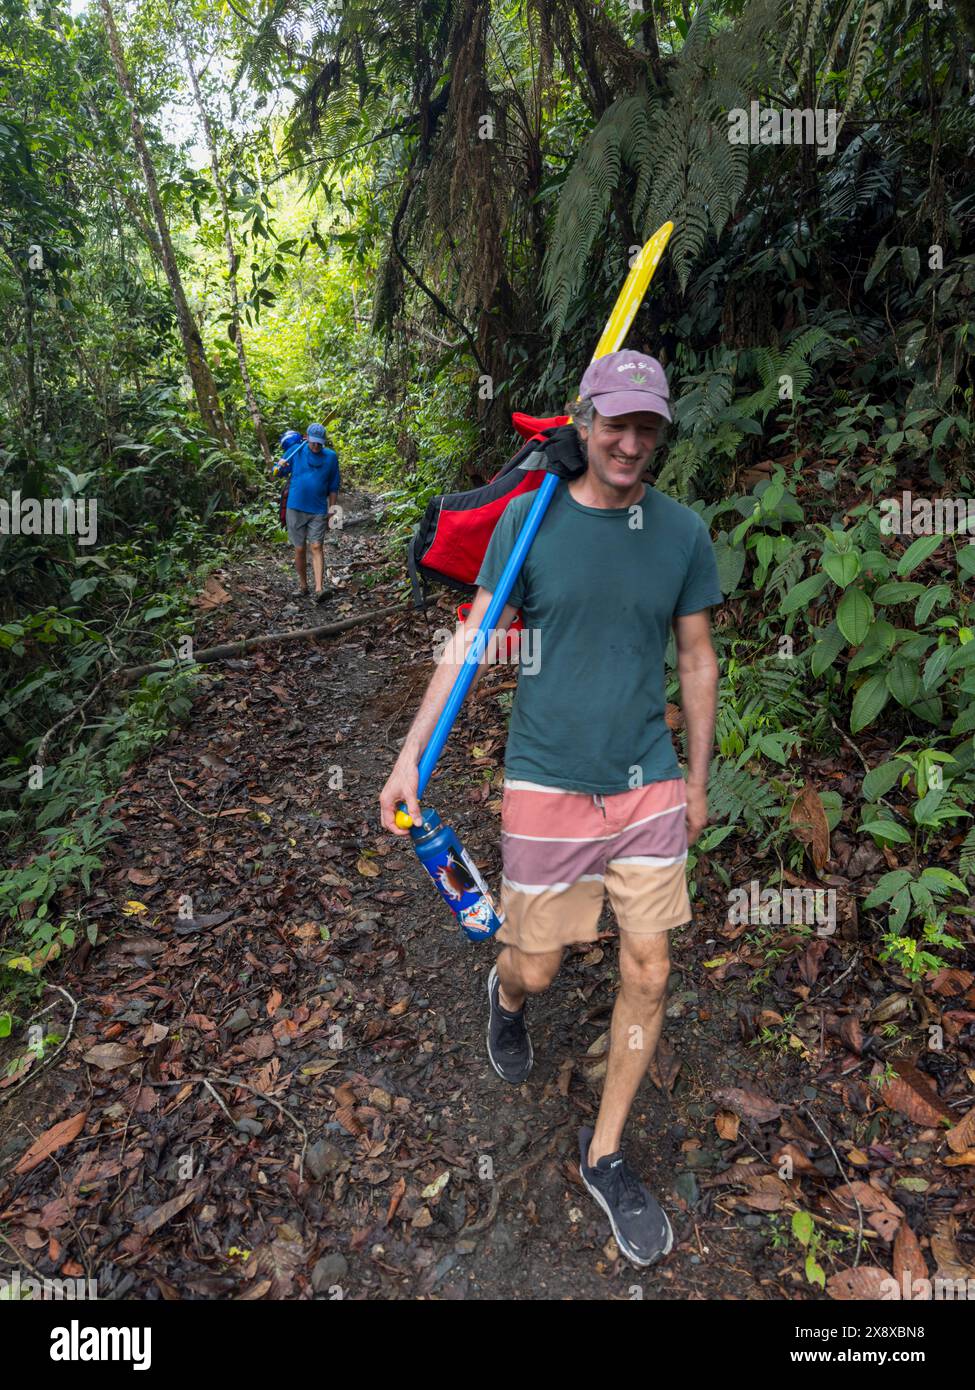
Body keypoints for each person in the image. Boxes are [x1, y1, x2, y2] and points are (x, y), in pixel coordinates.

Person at [379, 350, 722, 1268]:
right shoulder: (530, 525)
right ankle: (505, 992)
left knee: (647, 970)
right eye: (616, 422)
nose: (630, 442)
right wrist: (410, 758)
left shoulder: (681, 533)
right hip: (544, 780)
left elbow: (695, 661)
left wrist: (693, 779)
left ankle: (603, 1153)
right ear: (583, 421)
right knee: (538, 963)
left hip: (645, 779)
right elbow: (468, 641)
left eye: (647, 427)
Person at [274, 422, 340, 602]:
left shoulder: (331, 457)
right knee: (300, 548)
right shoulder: (296, 450)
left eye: (320, 443)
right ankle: (303, 586)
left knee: (317, 546)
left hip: (318, 509)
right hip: (295, 507)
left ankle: (319, 589)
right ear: (307, 438)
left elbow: (334, 486)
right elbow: (277, 473)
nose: (316, 446)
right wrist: (279, 466)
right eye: (313, 442)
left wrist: (333, 511)